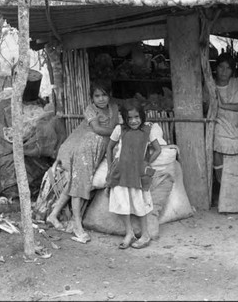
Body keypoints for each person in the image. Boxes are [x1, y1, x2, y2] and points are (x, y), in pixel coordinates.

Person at [47, 78, 119, 243]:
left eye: (104, 95)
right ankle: (77, 224)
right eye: (97, 96)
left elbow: (114, 128)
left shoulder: (114, 109)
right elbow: (98, 129)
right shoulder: (90, 110)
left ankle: (52, 215)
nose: (101, 99)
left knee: (75, 183)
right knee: (80, 185)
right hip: (85, 150)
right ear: (92, 98)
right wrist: (116, 130)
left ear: (110, 95)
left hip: (99, 150)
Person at [106, 100, 162, 249]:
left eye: (136, 117)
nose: (133, 121)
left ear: (142, 116)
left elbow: (158, 149)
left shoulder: (147, 131)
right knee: (122, 203)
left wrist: (146, 163)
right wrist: (110, 167)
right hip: (120, 172)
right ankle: (129, 233)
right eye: (129, 118)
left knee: (139, 203)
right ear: (124, 118)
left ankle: (145, 235)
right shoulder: (120, 129)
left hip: (137, 174)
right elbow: (110, 147)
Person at [206, 52, 238, 185]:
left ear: (232, 71)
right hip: (219, 132)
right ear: (216, 68)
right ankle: (224, 195)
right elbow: (203, 108)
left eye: (228, 68)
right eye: (221, 67)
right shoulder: (209, 85)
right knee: (221, 167)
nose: (224, 71)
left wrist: (223, 105)